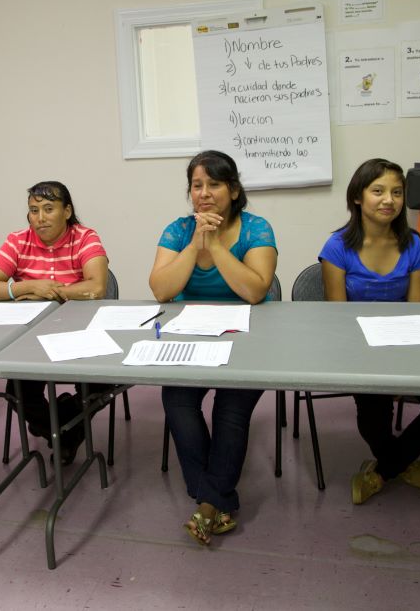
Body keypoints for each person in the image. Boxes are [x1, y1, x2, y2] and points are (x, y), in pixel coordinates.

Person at [149, 150, 277, 546]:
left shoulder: (257, 229)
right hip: (192, 335)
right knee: (177, 402)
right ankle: (214, 500)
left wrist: (217, 245)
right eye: (196, 185)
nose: (204, 194)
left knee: (231, 408)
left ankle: (207, 503)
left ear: (234, 190)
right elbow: (161, 290)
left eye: (214, 184)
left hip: (248, 335)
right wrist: (195, 244)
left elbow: (255, 291)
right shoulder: (177, 230)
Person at [318, 158, 420, 505]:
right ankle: (401, 462)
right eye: (377, 191)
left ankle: (384, 469)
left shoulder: (413, 245)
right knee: (372, 418)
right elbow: (337, 316)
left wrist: (402, 364)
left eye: (396, 192)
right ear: (357, 198)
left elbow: (418, 311)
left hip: (405, 343)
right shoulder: (337, 247)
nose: (388, 200)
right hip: (356, 346)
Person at [0, 181, 109, 465]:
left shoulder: (85, 237)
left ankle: (62, 425)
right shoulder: (17, 240)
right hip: (30, 335)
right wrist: (27, 288)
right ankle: (67, 431)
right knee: (17, 392)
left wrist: (50, 290)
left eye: (48, 209)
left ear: (67, 211)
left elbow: (97, 286)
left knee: (103, 381)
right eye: (33, 210)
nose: (40, 217)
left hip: (81, 330)